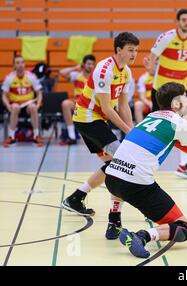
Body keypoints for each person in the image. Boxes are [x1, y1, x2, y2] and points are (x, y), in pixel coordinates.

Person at [104, 82, 187, 258]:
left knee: (122, 170)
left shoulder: (151, 117)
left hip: (111, 179)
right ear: (177, 103)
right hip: (136, 187)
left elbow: (181, 145)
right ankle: (141, 237)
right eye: (186, 97)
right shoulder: (179, 123)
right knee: (183, 228)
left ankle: (114, 222)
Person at [61, 32, 138, 241]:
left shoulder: (127, 72)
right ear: (118, 50)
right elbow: (107, 108)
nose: (134, 54)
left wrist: (131, 130)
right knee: (122, 163)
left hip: (97, 120)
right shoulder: (104, 69)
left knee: (114, 166)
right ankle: (114, 220)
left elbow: (123, 106)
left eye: (136, 50)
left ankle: (76, 197)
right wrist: (129, 133)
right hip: (88, 118)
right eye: (130, 50)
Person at [143, 8, 187, 180]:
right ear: (177, 22)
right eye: (184, 19)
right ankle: (145, 164)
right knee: (157, 128)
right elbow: (151, 58)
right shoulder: (166, 37)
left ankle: (183, 166)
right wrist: (152, 71)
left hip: (180, 91)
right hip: (161, 90)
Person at [2, 56, 43, 147]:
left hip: (28, 104)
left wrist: (38, 105)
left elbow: (39, 93)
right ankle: (11, 137)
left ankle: (36, 136)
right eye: (17, 63)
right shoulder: (9, 78)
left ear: (24, 64)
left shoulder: (31, 76)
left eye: (22, 62)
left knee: (33, 107)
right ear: (14, 65)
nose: (20, 65)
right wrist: (8, 105)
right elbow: (4, 95)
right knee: (15, 107)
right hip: (15, 104)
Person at [57, 54, 96, 145]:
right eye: (88, 64)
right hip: (78, 104)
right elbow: (62, 72)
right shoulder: (76, 75)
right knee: (65, 104)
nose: (90, 66)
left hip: (91, 105)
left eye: (92, 64)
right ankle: (72, 136)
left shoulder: (95, 77)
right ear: (83, 65)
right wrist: (75, 67)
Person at [134, 59, 154, 123]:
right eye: (154, 65)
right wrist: (149, 103)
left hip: (160, 102)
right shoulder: (143, 78)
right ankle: (139, 128)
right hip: (147, 102)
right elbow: (142, 97)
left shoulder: (160, 77)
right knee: (138, 104)